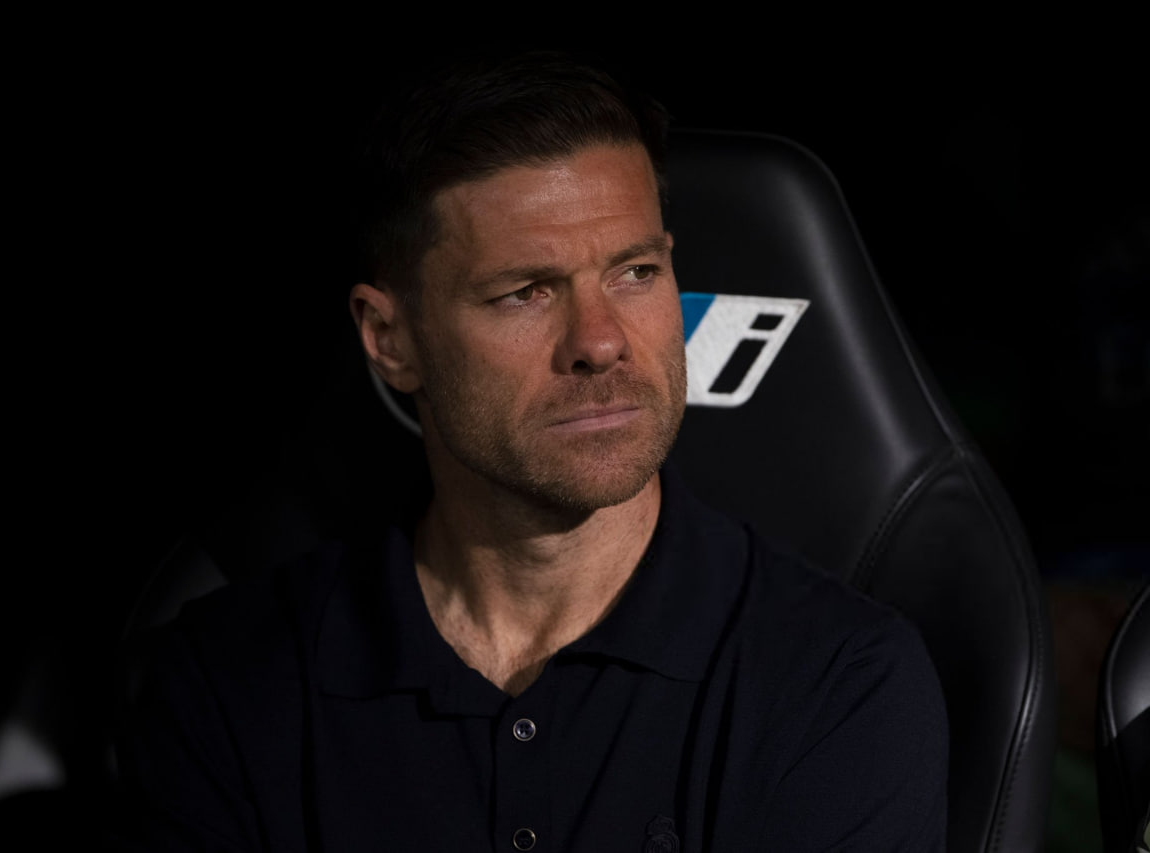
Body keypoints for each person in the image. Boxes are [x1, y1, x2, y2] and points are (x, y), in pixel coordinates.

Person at [108, 49, 949, 851]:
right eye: (525, 292)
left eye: (635, 272)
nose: (601, 342)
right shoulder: (229, 685)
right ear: (390, 339)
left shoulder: (836, 679)